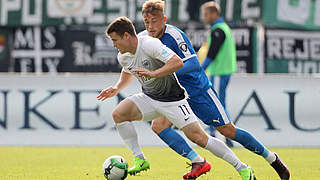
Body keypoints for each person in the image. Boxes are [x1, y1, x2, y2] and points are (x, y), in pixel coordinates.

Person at [140, 0, 290, 180]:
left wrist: (160, 73)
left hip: (197, 91)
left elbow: (194, 64)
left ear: (164, 19)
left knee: (228, 130)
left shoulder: (174, 35)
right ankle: (197, 162)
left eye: (154, 21)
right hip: (175, 94)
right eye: (146, 21)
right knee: (159, 126)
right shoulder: (145, 39)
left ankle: (272, 158)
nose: (150, 26)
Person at [98, 16, 227, 180]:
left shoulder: (149, 44)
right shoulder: (122, 56)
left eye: (115, 40)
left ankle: (241, 166)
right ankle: (140, 158)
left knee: (201, 138)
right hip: (152, 98)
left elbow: (178, 62)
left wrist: (154, 74)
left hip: (174, 98)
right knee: (119, 114)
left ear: (126, 36)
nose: (114, 45)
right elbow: (127, 70)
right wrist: (116, 88)